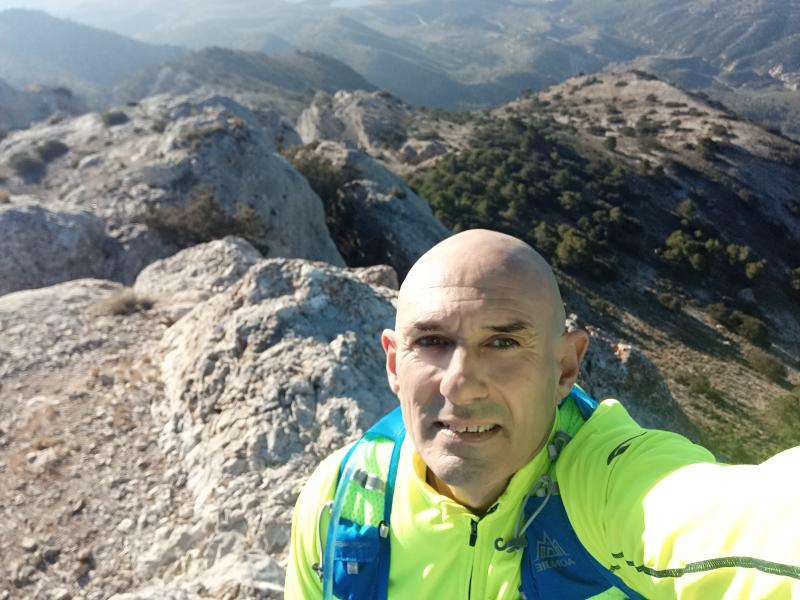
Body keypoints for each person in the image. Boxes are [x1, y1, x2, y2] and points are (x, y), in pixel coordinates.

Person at [285, 229, 800, 599]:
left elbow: (741, 520)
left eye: (503, 343)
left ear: (565, 367)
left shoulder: (608, 484)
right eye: (433, 341)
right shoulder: (340, 503)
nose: (459, 383)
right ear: (395, 363)